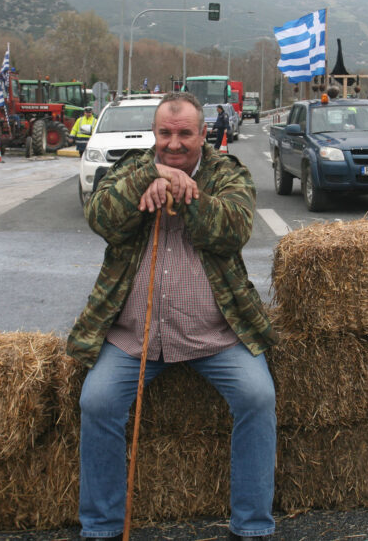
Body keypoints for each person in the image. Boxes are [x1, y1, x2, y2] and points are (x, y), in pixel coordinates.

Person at [67, 91, 278, 541]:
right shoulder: (132, 167)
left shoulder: (228, 172)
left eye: (185, 133)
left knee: (258, 398)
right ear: (155, 134)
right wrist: (147, 178)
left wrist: (185, 194)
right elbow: (100, 218)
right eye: (165, 133)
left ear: (204, 134)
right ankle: (101, 527)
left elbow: (235, 230)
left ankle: (253, 526)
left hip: (216, 336)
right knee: (96, 403)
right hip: (132, 337)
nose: (174, 143)